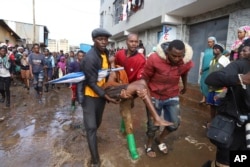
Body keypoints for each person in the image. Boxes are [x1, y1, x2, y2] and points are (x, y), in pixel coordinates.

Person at [202, 39, 250, 167]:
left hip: (248, 133)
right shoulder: (241, 65)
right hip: (232, 126)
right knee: (223, 164)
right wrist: (240, 79)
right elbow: (211, 79)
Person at [142, 40, 194, 158]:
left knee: (174, 124)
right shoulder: (154, 59)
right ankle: (149, 144)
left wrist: (185, 86)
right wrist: (146, 94)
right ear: (167, 52)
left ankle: (159, 139)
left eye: (179, 56)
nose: (176, 59)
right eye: (173, 56)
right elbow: (145, 77)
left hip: (172, 95)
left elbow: (184, 73)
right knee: (153, 125)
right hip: (154, 94)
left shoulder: (185, 61)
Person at [80, 28, 118, 167]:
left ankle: (92, 137)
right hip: (90, 96)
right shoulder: (90, 57)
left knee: (97, 123)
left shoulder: (105, 53)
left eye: (105, 39)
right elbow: (90, 82)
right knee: (91, 127)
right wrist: (106, 96)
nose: (103, 42)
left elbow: (106, 73)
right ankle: (95, 161)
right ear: (93, 40)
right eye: (100, 39)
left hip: (101, 95)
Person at [114, 33, 146, 160]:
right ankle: (132, 146)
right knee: (127, 113)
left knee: (128, 108)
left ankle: (125, 133)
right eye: (131, 41)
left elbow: (140, 79)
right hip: (120, 88)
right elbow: (115, 69)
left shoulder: (141, 59)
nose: (134, 44)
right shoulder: (119, 54)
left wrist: (132, 91)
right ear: (126, 42)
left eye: (136, 41)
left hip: (132, 89)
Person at [206, 43, 230, 125]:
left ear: (221, 50)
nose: (215, 49)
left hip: (220, 88)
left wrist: (225, 88)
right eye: (214, 48)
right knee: (212, 106)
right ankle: (212, 122)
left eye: (217, 48)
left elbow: (228, 73)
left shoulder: (225, 60)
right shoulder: (212, 59)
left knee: (219, 107)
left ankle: (218, 124)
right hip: (211, 87)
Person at [199, 37, 217, 104]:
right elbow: (203, 60)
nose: (209, 43)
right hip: (204, 69)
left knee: (208, 84)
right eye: (208, 42)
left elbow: (226, 52)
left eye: (210, 42)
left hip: (211, 69)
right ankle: (203, 98)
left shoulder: (216, 50)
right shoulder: (206, 50)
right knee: (203, 83)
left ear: (214, 42)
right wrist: (201, 68)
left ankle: (208, 99)